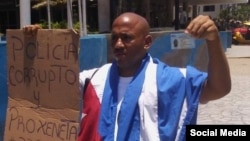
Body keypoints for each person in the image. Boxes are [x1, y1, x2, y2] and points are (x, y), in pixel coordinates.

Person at [23, 12, 231, 141]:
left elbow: (219, 88)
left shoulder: (171, 79)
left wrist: (213, 40)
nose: (118, 44)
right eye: (114, 38)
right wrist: (38, 45)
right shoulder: (92, 79)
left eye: (127, 38)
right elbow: (46, 88)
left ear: (147, 42)